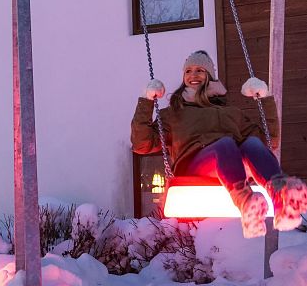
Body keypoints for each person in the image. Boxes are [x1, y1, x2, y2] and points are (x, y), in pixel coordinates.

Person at [131, 50, 307, 238]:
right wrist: (147, 101)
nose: (193, 75)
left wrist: (264, 98)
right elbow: (142, 144)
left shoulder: (231, 112)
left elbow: (269, 141)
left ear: (210, 76)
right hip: (195, 167)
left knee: (253, 143)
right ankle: (246, 201)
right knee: (224, 144)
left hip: (233, 164)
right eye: (188, 71)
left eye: (200, 70)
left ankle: (282, 197)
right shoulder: (174, 113)